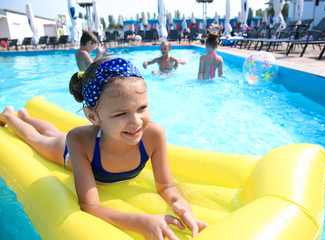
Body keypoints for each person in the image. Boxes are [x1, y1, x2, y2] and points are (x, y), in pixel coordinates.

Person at [0, 57, 208, 240]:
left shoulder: (154, 135)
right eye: (120, 114)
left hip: (90, 141)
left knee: (53, 132)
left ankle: (27, 116)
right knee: (36, 138)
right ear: (93, 116)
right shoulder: (79, 140)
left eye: (142, 108)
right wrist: (142, 221)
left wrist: (181, 204)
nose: (136, 122)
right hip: (66, 153)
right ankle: (10, 115)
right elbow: (91, 206)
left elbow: (167, 187)